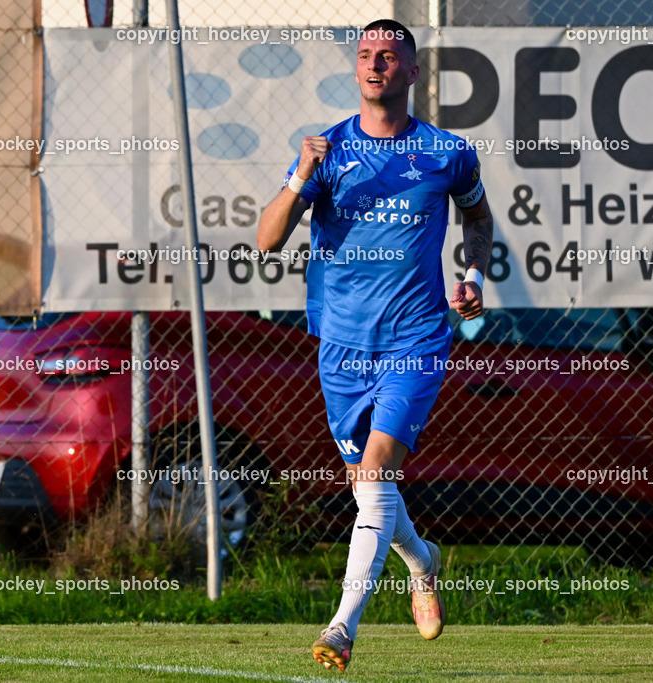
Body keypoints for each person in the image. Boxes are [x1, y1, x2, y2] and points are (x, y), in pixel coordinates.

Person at [256, 18, 494, 672]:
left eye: (389, 56)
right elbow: (267, 239)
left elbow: (477, 216)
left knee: (379, 465)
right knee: (370, 486)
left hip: (416, 338)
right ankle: (423, 560)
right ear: (355, 68)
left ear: (413, 73)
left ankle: (341, 625)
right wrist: (301, 174)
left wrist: (471, 275)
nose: (375, 64)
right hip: (341, 346)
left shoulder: (446, 152)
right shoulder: (327, 149)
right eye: (366, 54)